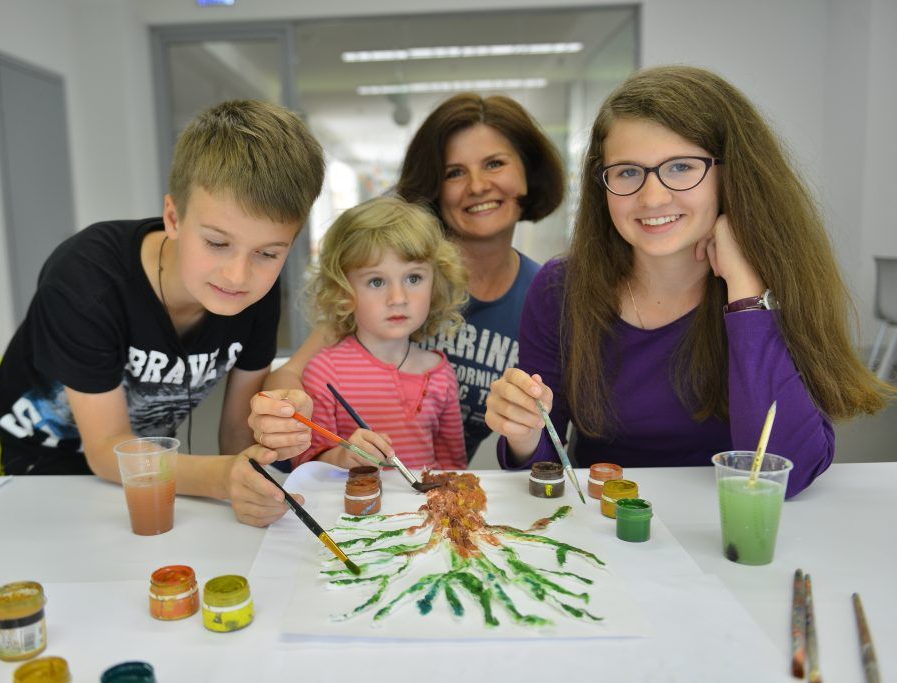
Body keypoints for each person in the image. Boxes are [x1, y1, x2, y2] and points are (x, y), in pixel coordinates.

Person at [484, 65, 892, 497]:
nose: (653, 197)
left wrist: (748, 295)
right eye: (626, 172)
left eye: (680, 167)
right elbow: (546, 460)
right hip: (607, 531)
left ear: (731, 173)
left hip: (732, 530)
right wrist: (524, 432)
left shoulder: (779, 281)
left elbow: (787, 472)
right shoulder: (560, 288)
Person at [0, 100, 325, 526]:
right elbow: (107, 451)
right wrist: (225, 477)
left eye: (267, 252)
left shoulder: (258, 293)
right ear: (173, 216)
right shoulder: (85, 280)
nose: (239, 275)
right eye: (217, 243)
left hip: (154, 474)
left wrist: (270, 438)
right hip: (47, 475)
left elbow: (236, 436)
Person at [251, 93, 565, 463]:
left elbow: (546, 445)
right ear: (434, 186)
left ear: (528, 172)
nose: (478, 186)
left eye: (494, 164)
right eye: (454, 172)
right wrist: (289, 410)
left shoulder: (546, 297)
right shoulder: (385, 283)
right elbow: (289, 376)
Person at [291, 196, 468, 471]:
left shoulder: (441, 373)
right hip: (354, 509)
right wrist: (343, 456)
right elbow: (305, 464)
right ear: (343, 289)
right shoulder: (324, 372)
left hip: (426, 511)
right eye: (376, 281)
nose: (398, 298)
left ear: (436, 282)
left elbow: (454, 467)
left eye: (413, 278)